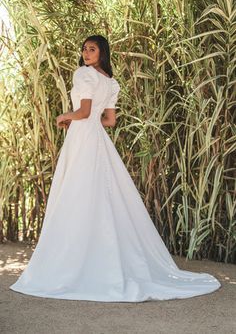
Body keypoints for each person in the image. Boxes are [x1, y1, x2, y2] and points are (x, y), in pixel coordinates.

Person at [9, 35, 221, 302]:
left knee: (76, 193)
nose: (86, 53)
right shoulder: (111, 82)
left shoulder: (83, 74)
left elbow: (84, 112)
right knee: (101, 193)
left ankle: (75, 261)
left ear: (102, 52)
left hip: (82, 138)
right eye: (84, 49)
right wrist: (83, 116)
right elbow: (109, 120)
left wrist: (65, 116)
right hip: (97, 137)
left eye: (92, 49)